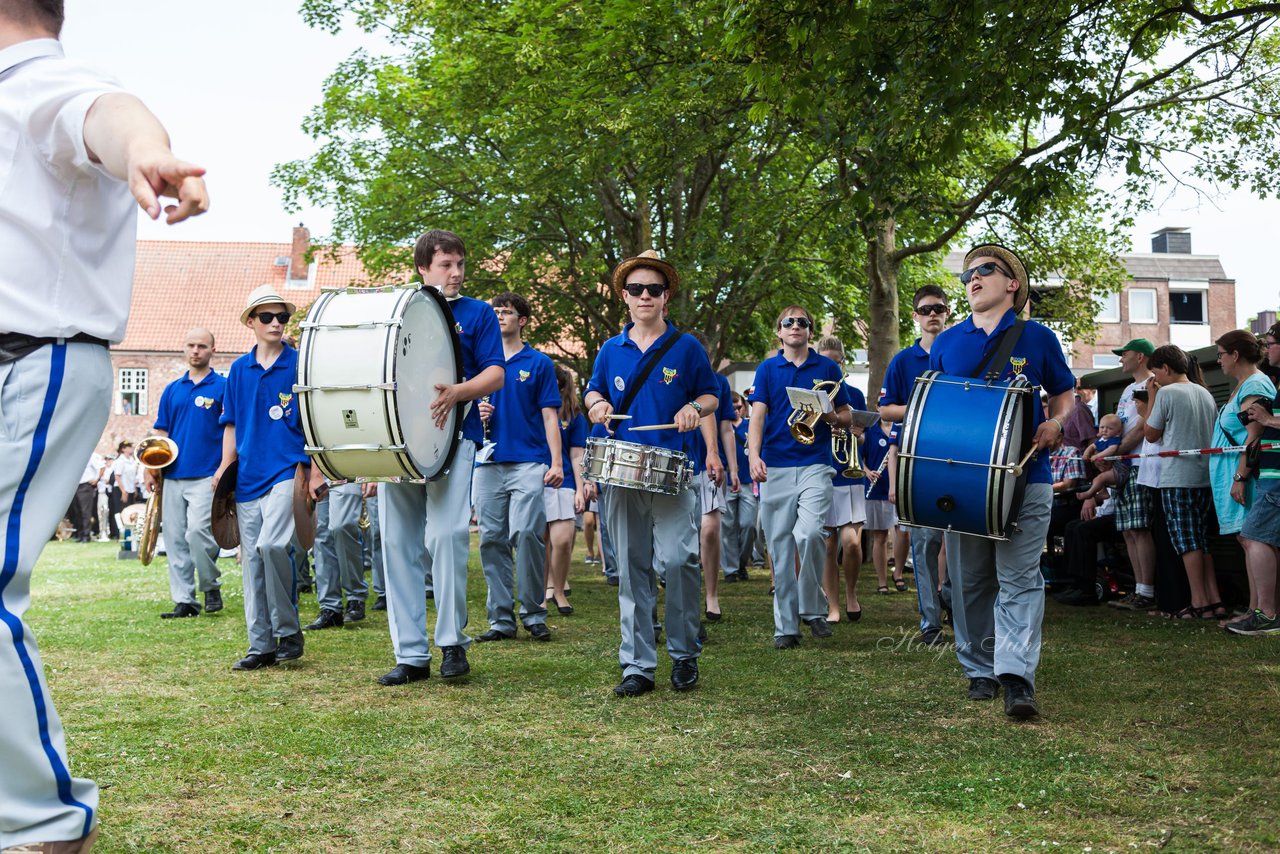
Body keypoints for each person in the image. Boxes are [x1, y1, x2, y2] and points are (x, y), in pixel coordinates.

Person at [0, 3, 209, 848]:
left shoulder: (41, 82)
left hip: (32, 360)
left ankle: (41, 822)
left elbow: (107, 115)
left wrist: (149, 153)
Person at [929, 245, 1075, 719]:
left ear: (1012, 283)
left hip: (1027, 476)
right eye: (968, 274)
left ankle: (1016, 676)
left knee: (1019, 578)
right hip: (963, 481)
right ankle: (979, 668)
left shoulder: (1039, 338)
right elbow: (935, 409)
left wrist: (1056, 422)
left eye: (984, 271)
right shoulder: (947, 342)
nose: (972, 279)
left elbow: (1065, 392)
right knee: (970, 581)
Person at [584, 250, 719, 696]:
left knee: (681, 561)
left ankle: (684, 654)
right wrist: (598, 406)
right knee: (632, 566)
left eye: (654, 289)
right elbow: (592, 393)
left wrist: (692, 408)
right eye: (637, 289)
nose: (645, 296)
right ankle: (637, 665)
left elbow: (711, 396)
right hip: (621, 472)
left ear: (666, 297)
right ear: (624, 296)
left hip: (673, 471)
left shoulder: (687, 347)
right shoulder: (610, 349)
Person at [375, 230, 504, 685]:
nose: (455, 273)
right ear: (423, 269)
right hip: (399, 443)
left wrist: (459, 393)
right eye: (446, 264)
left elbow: (495, 373)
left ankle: (452, 642)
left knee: (447, 536)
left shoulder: (480, 313)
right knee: (396, 545)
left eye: (460, 264)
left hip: (457, 437)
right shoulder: (398, 311)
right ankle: (410, 654)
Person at [216, 287, 321, 670]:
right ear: (251, 322)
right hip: (247, 475)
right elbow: (230, 424)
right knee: (251, 561)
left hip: (287, 470)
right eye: (267, 317)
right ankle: (260, 646)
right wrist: (224, 470)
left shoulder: (299, 365)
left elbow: (316, 425)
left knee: (272, 546)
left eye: (282, 317)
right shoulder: (238, 371)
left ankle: (289, 630)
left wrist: (316, 473)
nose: (276, 323)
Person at [748, 306, 854, 649]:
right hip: (776, 465)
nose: (795, 326)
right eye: (788, 322)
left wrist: (829, 416)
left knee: (809, 535)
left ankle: (812, 608)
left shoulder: (827, 367)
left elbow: (846, 415)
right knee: (779, 545)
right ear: (779, 332)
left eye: (802, 322)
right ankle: (786, 627)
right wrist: (753, 455)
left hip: (815, 463)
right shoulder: (767, 369)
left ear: (810, 331)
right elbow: (758, 417)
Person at [473, 292, 562, 643]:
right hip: (487, 461)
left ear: (522, 320)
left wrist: (556, 462)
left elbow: (550, 416)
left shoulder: (539, 363)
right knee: (491, 540)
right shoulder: (480, 363)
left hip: (528, 460)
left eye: (506, 312)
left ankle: (534, 613)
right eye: (495, 312)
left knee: (526, 534)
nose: (499, 317)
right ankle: (500, 621)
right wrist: (472, 413)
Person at [878, 285, 951, 644]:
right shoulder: (902, 361)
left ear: (948, 312)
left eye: (938, 308)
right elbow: (885, 410)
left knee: (961, 540)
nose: (932, 314)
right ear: (915, 316)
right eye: (925, 309)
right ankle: (930, 623)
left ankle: (951, 598)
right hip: (917, 460)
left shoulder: (962, 353)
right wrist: (921, 407)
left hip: (959, 460)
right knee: (924, 542)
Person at [147, 327, 226, 619]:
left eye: (202, 346)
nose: (196, 351)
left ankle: (210, 584)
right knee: (176, 539)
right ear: (184, 348)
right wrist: (151, 468)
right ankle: (185, 601)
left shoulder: (222, 387)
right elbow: (161, 432)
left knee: (198, 533)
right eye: (191, 345)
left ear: (212, 351)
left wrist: (224, 470)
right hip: (172, 475)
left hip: (207, 473)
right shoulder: (172, 389)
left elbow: (231, 429)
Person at [1144, 344, 1223, 620]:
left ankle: (1199, 602)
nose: (1155, 379)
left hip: (1177, 477)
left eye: (1155, 373)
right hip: (1205, 476)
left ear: (1165, 368)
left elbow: (1151, 433)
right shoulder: (1204, 392)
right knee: (1202, 539)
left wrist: (1152, 397)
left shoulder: (1166, 392)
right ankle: (1214, 600)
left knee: (1186, 541)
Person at [1208, 330, 1275, 624]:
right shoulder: (1242, 386)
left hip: (1244, 475)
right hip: (1232, 474)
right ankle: (1254, 610)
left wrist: (1240, 476)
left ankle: (1261, 611)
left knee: (1254, 539)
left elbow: (1255, 434)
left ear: (1235, 355)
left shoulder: (1256, 384)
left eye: (1220, 354)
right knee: (1248, 540)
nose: (1218, 360)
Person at [1229, 322, 1280, 635]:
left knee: (1253, 536)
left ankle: (1267, 614)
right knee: (1262, 539)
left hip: (1276, 478)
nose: (1266, 349)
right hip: (1272, 474)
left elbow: (1267, 423)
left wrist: (1266, 418)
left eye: (1271, 342)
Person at [1103, 339, 1159, 611]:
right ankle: (1138, 589)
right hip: (1124, 464)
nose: (1120, 359)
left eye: (1123, 354)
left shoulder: (1152, 384)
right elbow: (1118, 425)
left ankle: (1147, 591)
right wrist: (1103, 448)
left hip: (1139, 464)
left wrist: (1115, 452)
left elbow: (1140, 429)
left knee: (1139, 528)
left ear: (1139, 356)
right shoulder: (1128, 388)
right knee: (1127, 529)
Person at [815, 336, 867, 626]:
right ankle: (833, 605)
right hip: (824, 472)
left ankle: (851, 591)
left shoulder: (855, 395)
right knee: (827, 543)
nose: (830, 368)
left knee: (852, 543)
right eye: (826, 362)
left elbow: (864, 436)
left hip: (850, 474)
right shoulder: (813, 394)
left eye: (835, 362)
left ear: (842, 363)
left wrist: (856, 432)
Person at [686, 332, 732, 622]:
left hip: (709, 467)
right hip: (680, 464)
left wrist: (735, 468)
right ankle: (687, 594)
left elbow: (726, 426)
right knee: (684, 537)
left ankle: (711, 595)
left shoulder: (720, 383)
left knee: (710, 529)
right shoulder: (674, 378)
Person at [544, 363, 587, 615]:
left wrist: (581, 489)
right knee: (540, 541)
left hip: (564, 482)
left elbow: (577, 455)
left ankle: (559, 589)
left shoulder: (574, 416)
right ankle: (542, 593)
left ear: (558, 385)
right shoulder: (531, 409)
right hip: (534, 479)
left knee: (561, 540)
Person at [305, 482, 370, 629]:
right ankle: (330, 607)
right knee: (321, 535)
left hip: (348, 466)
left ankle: (356, 595)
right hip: (321, 467)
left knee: (342, 526)